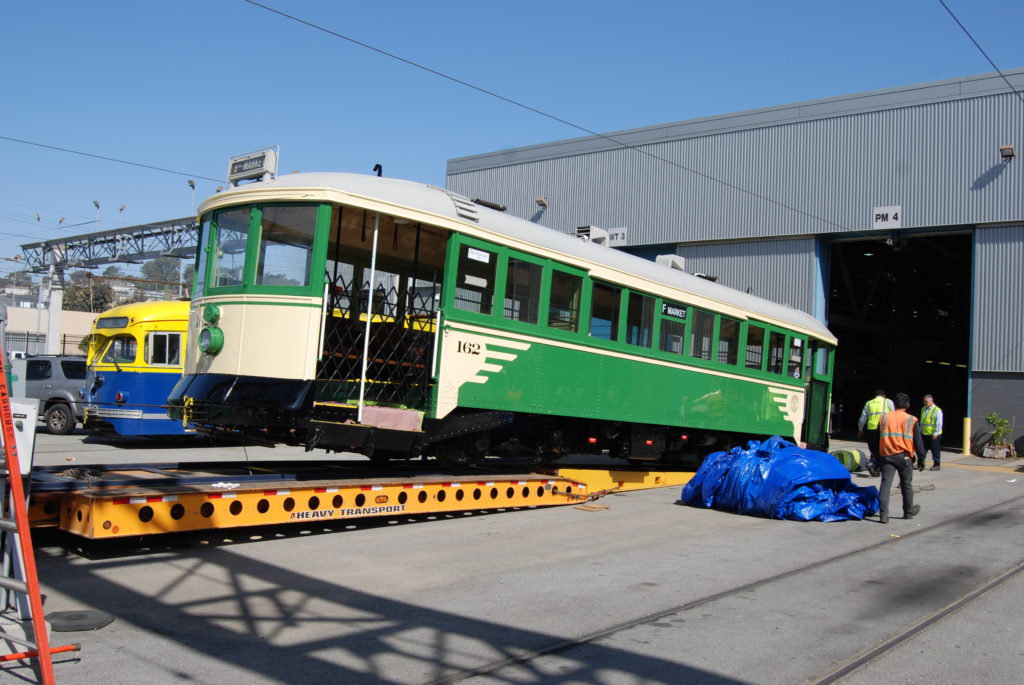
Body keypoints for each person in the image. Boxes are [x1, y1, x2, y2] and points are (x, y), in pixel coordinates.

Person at [875, 392, 924, 524]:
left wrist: (875, 456)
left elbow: (875, 439)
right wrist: (922, 459)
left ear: (894, 404)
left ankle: (883, 515)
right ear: (907, 405)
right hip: (904, 457)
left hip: (886, 456)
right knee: (906, 484)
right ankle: (908, 512)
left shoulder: (883, 418)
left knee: (885, 484)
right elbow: (918, 442)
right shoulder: (911, 420)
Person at [857, 389, 893, 477]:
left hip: (871, 429)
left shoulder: (869, 403)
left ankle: (875, 468)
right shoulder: (887, 401)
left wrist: (860, 429)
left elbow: (863, 417)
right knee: (882, 450)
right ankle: (872, 464)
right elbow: (893, 415)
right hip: (883, 429)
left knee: (874, 449)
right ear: (883, 395)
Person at [919, 394, 944, 471]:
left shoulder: (937, 410)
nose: (925, 403)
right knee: (922, 450)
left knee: (935, 451)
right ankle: (920, 464)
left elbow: (939, 423)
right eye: (924, 401)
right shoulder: (923, 409)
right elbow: (922, 421)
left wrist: (936, 433)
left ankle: (937, 464)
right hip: (925, 434)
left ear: (931, 401)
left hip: (933, 435)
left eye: (926, 401)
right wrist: (920, 431)